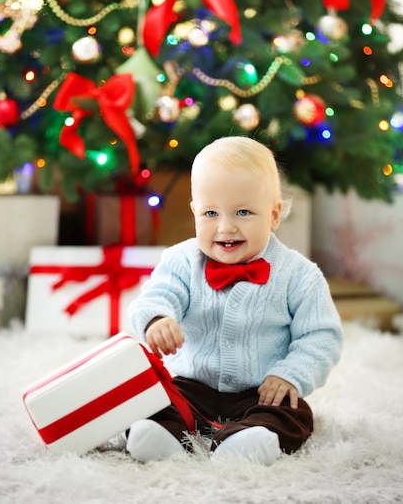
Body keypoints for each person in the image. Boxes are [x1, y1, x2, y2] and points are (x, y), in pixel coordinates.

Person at [127, 136, 344, 465]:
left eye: (243, 212)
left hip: (260, 390)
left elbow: (321, 336)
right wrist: (157, 319)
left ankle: (249, 439)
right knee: (148, 401)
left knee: (294, 413)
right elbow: (156, 295)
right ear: (194, 212)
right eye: (211, 213)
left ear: (273, 215)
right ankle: (162, 437)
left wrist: (290, 374)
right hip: (191, 385)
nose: (225, 227)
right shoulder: (181, 261)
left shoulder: (300, 275)